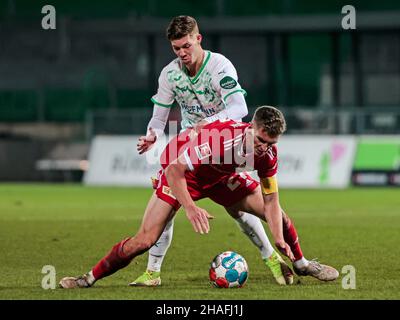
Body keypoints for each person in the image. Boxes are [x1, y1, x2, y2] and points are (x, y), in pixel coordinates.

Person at [59, 106, 339, 289]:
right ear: (250, 127)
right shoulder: (221, 140)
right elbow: (176, 170)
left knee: (280, 217)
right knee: (144, 240)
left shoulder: (268, 155)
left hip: (219, 177)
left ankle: (302, 265)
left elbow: (271, 200)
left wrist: (278, 237)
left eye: (271, 144)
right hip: (182, 173)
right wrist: (190, 207)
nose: (265, 148)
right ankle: (88, 279)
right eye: (261, 141)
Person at [134, 15, 288, 286]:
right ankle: (152, 272)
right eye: (176, 48)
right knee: (167, 206)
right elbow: (159, 119)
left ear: (198, 39)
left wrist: (208, 123)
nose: (182, 53)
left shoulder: (219, 66)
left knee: (238, 208)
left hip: (225, 146)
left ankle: (272, 258)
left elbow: (239, 109)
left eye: (186, 46)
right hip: (189, 146)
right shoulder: (170, 74)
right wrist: (152, 135)